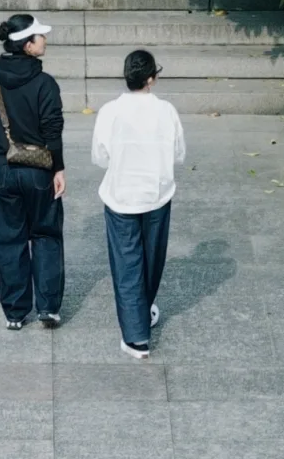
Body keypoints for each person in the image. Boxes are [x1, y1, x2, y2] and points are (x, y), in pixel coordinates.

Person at [92, 49, 185, 360]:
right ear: (151, 79)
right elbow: (178, 153)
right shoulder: (166, 111)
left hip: (121, 195)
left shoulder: (110, 111)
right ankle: (141, 314)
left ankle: (136, 336)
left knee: (127, 262)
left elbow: (100, 156)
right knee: (152, 258)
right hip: (157, 194)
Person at [0, 13, 65, 330]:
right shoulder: (44, 83)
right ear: (28, 44)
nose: (45, 40)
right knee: (46, 235)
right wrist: (58, 168)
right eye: (41, 36)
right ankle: (48, 308)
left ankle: (15, 312)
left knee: (8, 240)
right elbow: (53, 129)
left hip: (2, 169)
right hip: (39, 171)